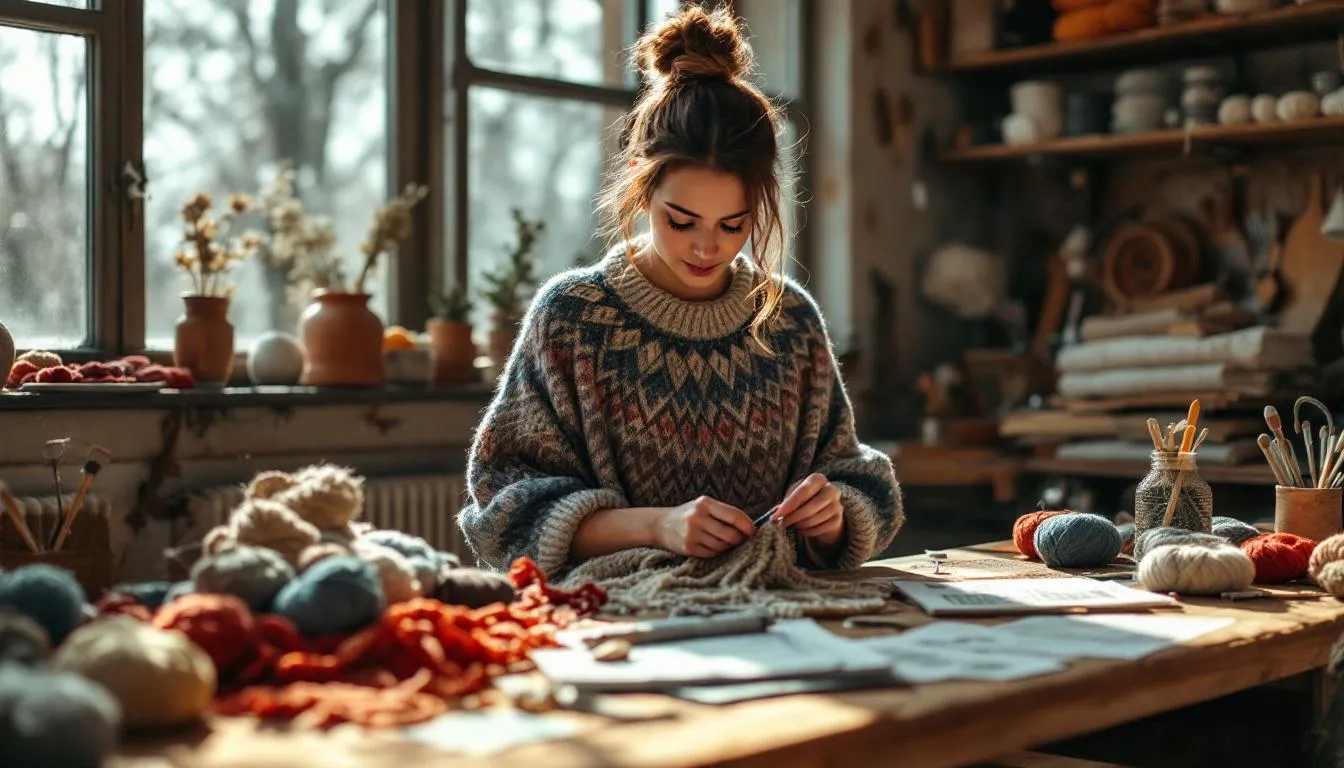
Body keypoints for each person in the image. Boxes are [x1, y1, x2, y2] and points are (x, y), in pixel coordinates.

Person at [459, 5, 903, 578]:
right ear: (640, 185)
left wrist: (834, 515)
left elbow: (857, 479)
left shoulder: (789, 319)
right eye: (681, 220)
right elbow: (504, 508)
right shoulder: (572, 319)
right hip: (617, 613)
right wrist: (658, 526)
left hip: (783, 607)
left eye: (734, 224)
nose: (706, 248)